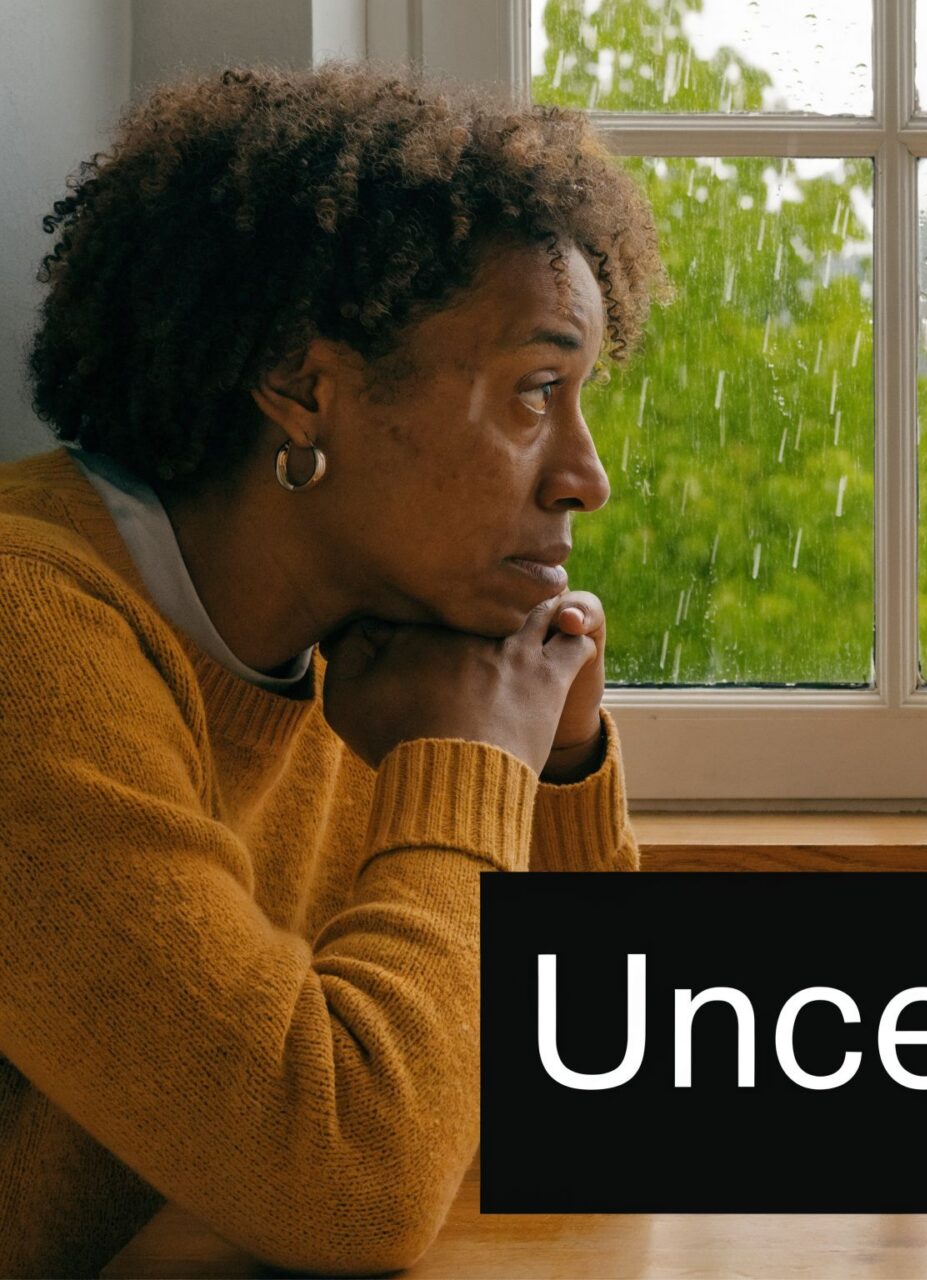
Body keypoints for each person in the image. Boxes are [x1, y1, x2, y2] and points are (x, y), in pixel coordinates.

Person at [0, 65, 666, 1276]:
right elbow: (350, 1183)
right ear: (304, 390)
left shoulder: (378, 651)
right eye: (536, 391)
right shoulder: (25, 639)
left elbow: (597, 1096)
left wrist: (557, 765)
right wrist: (469, 766)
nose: (587, 476)